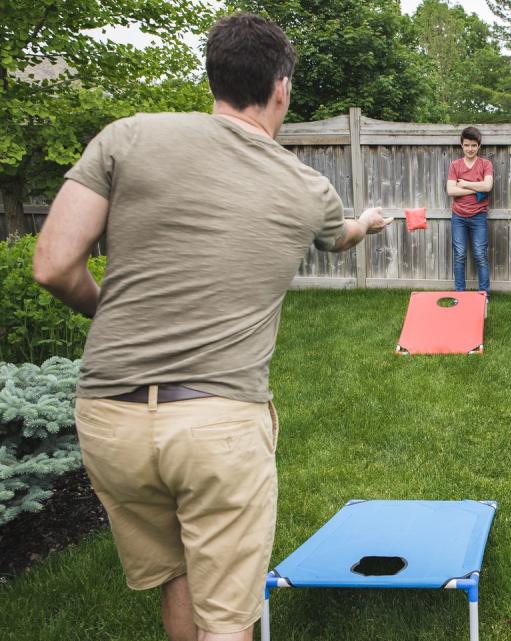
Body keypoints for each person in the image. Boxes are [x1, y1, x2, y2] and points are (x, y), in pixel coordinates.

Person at [32, 12, 391, 641]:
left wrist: (108, 312)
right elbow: (341, 238)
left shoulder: (127, 138)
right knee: (227, 616)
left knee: (180, 574)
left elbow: (55, 265)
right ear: (282, 86)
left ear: (214, 76)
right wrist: (367, 222)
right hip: (215, 426)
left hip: (109, 418)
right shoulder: (307, 189)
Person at [446, 126, 494, 297]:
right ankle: (459, 294)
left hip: (478, 216)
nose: (470, 149)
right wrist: (477, 188)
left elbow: (488, 186)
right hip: (458, 216)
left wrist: (465, 184)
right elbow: (451, 191)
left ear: (479, 146)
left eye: (473, 145)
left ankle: (484, 295)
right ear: (461, 145)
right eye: (467, 145)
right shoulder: (455, 165)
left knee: (480, 255)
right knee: (459, 255)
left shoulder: (485, 164)